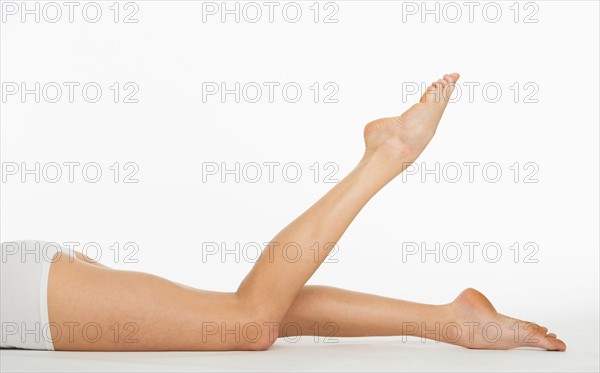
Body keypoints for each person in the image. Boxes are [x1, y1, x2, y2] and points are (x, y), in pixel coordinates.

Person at [0, 73, 567, 352]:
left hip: (15, 294)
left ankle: (387, 155)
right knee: (238, 311)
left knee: (248, 321)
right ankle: (451, 320)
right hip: (22, 283)